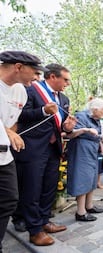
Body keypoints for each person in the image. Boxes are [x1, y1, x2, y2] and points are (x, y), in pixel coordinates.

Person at [13, 63, 76, 246]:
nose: (67, 84)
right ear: (52, 77)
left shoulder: (63, 99)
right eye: (65, 80)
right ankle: (34, 231)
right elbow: (18, 116)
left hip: (53, 148)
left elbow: (61, 124)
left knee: (49, 188)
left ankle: (44, 221)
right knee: (32, 189)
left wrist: (67, 127)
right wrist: (42, 111)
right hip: (32, 148)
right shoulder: (30, 90)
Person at [0, 50, 47, 253]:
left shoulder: (20, 90)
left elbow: (13, 124)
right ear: (18, 67)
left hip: (4, 155)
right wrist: (6, 132)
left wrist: (9, 132)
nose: (37, 77)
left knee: (9, 199)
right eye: (35, 72)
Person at [66, 98, 103, 222]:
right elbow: (70, 134)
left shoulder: (97, 119)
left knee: (92, 178)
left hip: (92, 150)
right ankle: (80, 212)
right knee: (82, 179)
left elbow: (98, 136)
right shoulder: (80, 116)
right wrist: (86, 129)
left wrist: (101, 146)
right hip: (81, 151)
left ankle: (89, 206)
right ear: (95, 109)